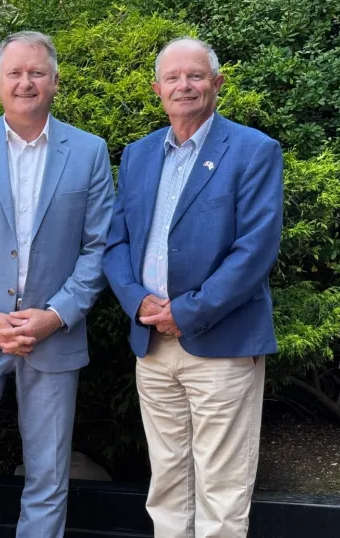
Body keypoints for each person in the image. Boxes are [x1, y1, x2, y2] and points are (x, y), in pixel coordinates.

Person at [0, 31, 114, 538]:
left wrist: (55, 316)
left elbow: (100, 247)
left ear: (55, 81)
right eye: (15, 72)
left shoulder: (90, 152)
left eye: (36, 72)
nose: (25, 82)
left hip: (54, 337)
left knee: (49, 476)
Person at [102, 37, 284, 537]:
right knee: (167, 484)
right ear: (158, 88)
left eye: (196, 75)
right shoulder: (138, 155)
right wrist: (137, 301)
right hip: (153, 346)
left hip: (220, 345)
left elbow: (256, 250)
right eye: (173, 77)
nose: (184, 85)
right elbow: (116, 242)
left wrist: (190, 310)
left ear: (217, 84)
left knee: (222, 492)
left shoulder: (253, 150)